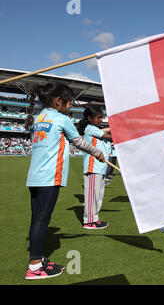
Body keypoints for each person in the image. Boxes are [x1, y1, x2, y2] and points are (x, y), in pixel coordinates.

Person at [25, 83, 105, 280]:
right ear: (58, 101)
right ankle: (35, 267)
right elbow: (78, 141)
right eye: (69, 102)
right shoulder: (61, 119)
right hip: (50, 177)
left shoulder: (39, 117)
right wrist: (98, 153)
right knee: (42, 220)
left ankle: (38, 259)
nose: (70, 106)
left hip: (34, 176)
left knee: (37, 219)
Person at [77, 106, 113, 230]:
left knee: (98, 195)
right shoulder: (90, 128)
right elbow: (108, 136)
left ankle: (94, 218)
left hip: (100, 167)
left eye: (102, 117)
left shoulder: (94, 128)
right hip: (93, 167)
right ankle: (89, 221)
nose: (101, 120)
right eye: (99, 117)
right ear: (90, 118)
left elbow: (105, 131)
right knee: (92, 195)